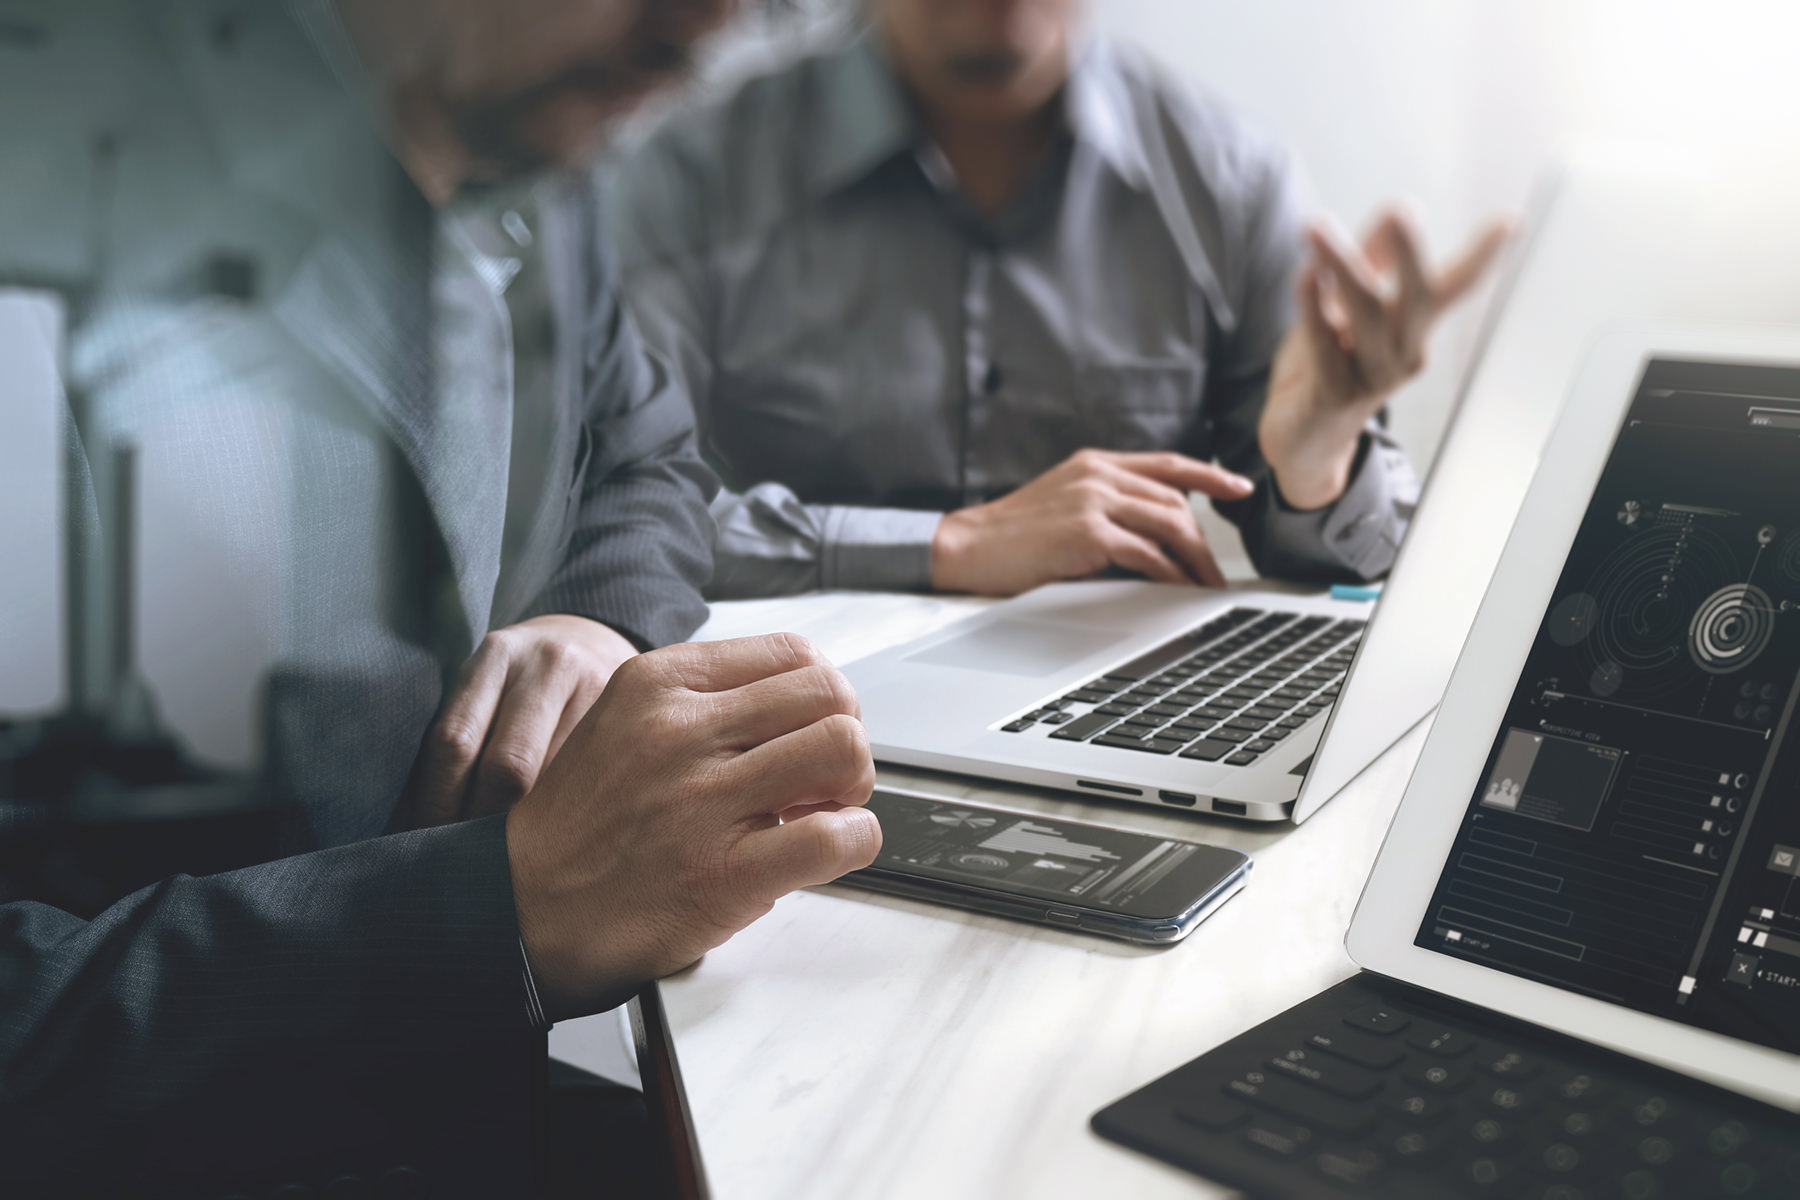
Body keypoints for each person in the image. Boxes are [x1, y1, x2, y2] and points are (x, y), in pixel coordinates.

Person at [0, 1, 880, 1195]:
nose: (710, 30)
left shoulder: (538, 141)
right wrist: (498, 914)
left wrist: (589, 623)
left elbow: (645, 458)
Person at [612, 0, 1512, 599]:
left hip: (1112, 720)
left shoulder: (1227, 180)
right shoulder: (685, 174)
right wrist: (950, 545)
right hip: (777, 721)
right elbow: (610, 523)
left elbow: (1365, 552)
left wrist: (1318, 458)